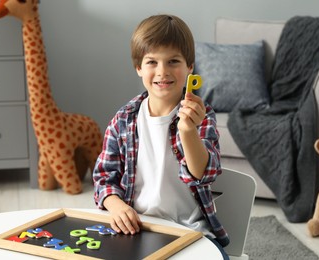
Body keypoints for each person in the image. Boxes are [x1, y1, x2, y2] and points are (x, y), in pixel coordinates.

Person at [93, 14, 230, 259]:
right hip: (136, 229)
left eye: (173, 61)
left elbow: (204, 174)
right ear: (138, 67)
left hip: (190, 231)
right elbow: (104, 178)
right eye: (152, 62)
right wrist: (116, 205)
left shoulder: (202, 115)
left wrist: (188, 130)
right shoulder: (123, 119)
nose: (162, 71)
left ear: (190, 67)